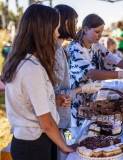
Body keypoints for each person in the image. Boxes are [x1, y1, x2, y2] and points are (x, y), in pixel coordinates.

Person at [0, 4, 77, 160]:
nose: (57, 34)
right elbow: (46, 121)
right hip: (33, 145)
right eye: (56, 29)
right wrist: (65, 147)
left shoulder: (24, 62)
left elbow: (27, 100)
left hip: (29, 142)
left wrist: (52, 99)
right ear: (44, 32)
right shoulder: (31, 68)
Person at [67, 14, 123, 135]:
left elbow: (117, 61)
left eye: (102, 32)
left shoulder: (97, 46)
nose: (100, 35)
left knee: (92, 135)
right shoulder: (75, 48)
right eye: (97, 31)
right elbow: (91, 73)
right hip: (75, 104)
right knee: (76, 137)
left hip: (91, 103)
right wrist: (122, 75)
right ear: (85, 29)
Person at [53, 4, 102, 160]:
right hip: (62, 114)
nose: (76, 27)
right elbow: (53, 94)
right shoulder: (61, 50)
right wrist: (83, 89)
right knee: (68, 142)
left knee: (69, 138)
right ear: (66, 23)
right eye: (75, 22)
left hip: (63, 116)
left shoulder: (60, 49)